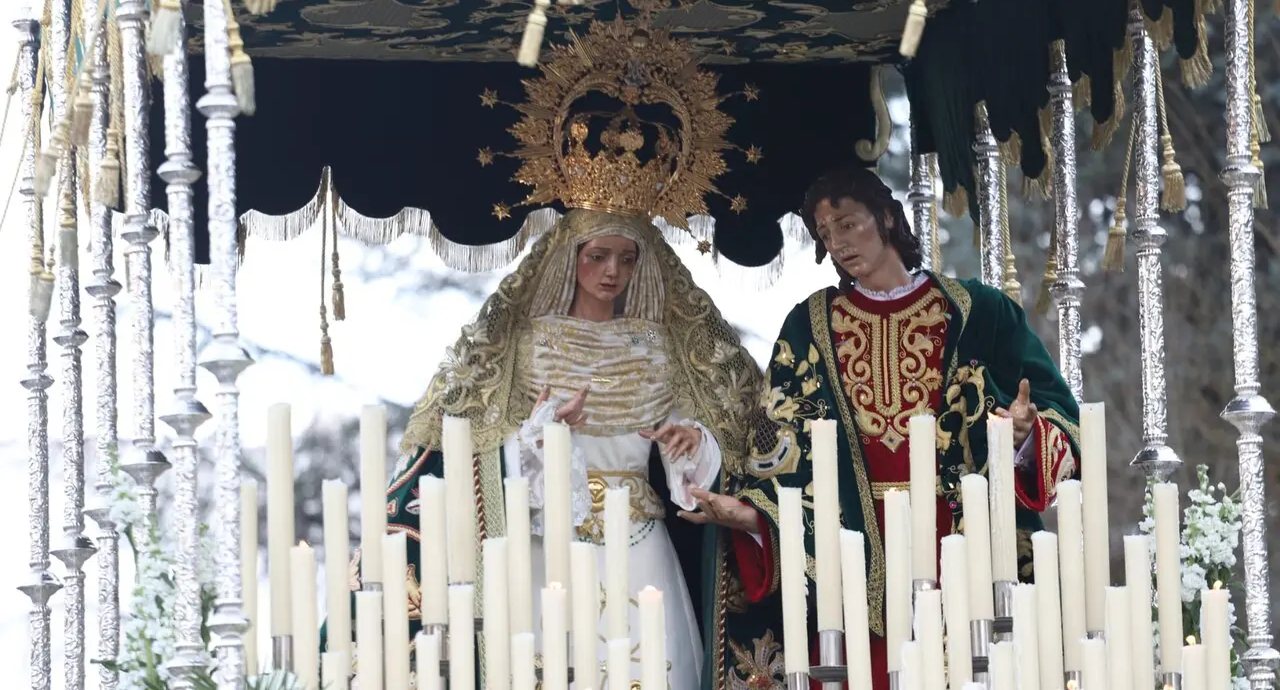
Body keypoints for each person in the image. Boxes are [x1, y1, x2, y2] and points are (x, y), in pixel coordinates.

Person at [683, 165, 1081, 690]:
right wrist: (757, 513)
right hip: (854, 559)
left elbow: (1059, 410)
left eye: (848, 224)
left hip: (964, 548)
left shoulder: (981, 313)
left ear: (887, 217)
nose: (838, 243)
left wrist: (1027, 434)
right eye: (826, 234)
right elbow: (781, 441)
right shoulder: (810, 325)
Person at [335, 207, 763, 690]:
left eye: (626, 259)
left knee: (653, 665)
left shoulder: (658, 347)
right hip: (551, 541)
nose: (612, 272)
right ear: (568, 258)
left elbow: (696, 439)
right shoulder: (528, 343)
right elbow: (483, 451)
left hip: (640, 536)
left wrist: (693, 441)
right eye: (597, 256)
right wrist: (543, 432)